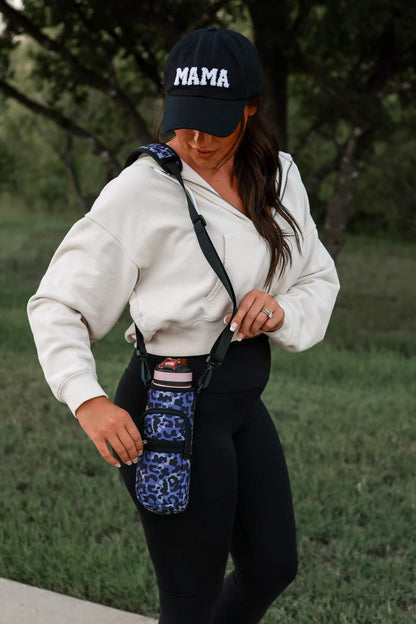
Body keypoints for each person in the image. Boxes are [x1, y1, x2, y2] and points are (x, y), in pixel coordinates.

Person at [27, 26, 340, 624]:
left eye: (214, 124)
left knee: (272, 567)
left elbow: (317, 277)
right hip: (167, 409)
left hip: (240, 400)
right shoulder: (141, 190)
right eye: (184, 120)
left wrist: (281, 311)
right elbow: (57, 303)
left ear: (250, 109)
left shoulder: (279, 175)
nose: (194, 139)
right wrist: (87, 400)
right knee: (190, 598)